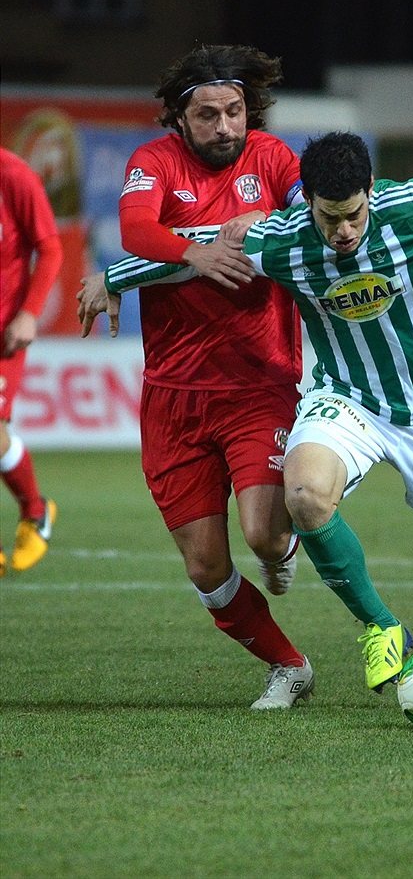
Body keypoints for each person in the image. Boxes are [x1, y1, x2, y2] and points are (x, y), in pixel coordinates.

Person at [96, 131, 413, 713]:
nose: (343, 232)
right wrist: (112, 280)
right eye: (329, 218)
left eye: (353, 216)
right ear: (309, 203)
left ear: (371, 192)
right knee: (304, 496)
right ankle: (382, 628)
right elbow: (196, 247)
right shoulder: (284, 238)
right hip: (347, 400)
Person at [77, 44, 314, 710]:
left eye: (234, 111)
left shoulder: (272, 159)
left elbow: (310, 219)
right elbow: (135, 229)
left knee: (265, 533)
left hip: (258, 381)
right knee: (207, 568)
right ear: (180, 119)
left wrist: (269, 221)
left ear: (250, 111)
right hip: (173, 397)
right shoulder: (153, 163)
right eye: (207, 114)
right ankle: (289, 667)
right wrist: (195, 254)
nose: (224, 127)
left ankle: (281, 546)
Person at [1, 147, 62, 576]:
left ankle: (35, 510)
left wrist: (29, 313)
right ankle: (36, 510)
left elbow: (51, 248)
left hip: (4, 333)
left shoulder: (13, 175)